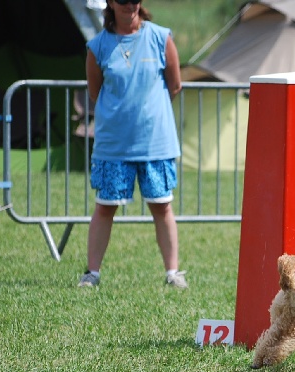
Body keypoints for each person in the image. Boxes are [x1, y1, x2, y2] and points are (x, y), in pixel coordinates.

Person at [78, 0, 187, 288]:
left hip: (156, 143)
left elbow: (174, 85)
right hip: (113, 146)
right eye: (123, 0)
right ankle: (92, 273)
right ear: (111, 4)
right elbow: (94, 91)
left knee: (162, 207)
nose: (130, 5)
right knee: (105, 208)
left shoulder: (160, 37)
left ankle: (173, 273)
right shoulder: (97, 46)